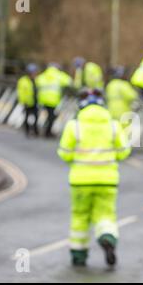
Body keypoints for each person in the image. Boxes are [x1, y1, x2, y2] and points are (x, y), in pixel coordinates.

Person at [57, 89, 131, 267]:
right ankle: (107, 238)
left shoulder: (74, 126)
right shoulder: (113, 125)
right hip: (108, 180)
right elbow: (124, 152)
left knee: (80, 217)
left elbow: (64, 154)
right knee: (106, 215)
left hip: (80, 181)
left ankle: (79, 255)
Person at [36, 63, 72, 138]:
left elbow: (36, 82)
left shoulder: (43, 75)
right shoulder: (59, 75)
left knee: (50, 116)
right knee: (52, 117)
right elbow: (69, 81)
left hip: (43, 100)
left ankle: (46, 130)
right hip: (53, 101)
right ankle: (47, 132)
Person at [16, 63, 39, 137]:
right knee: (27, 117)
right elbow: (20, 92)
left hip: (35, 101)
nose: (34, 74)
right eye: (33, 72)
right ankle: (27, 131)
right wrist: (23, 101)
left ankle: (35, 131)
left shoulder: (36, 80)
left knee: (36, 116)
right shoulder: (23, 81)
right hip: (27, 102)